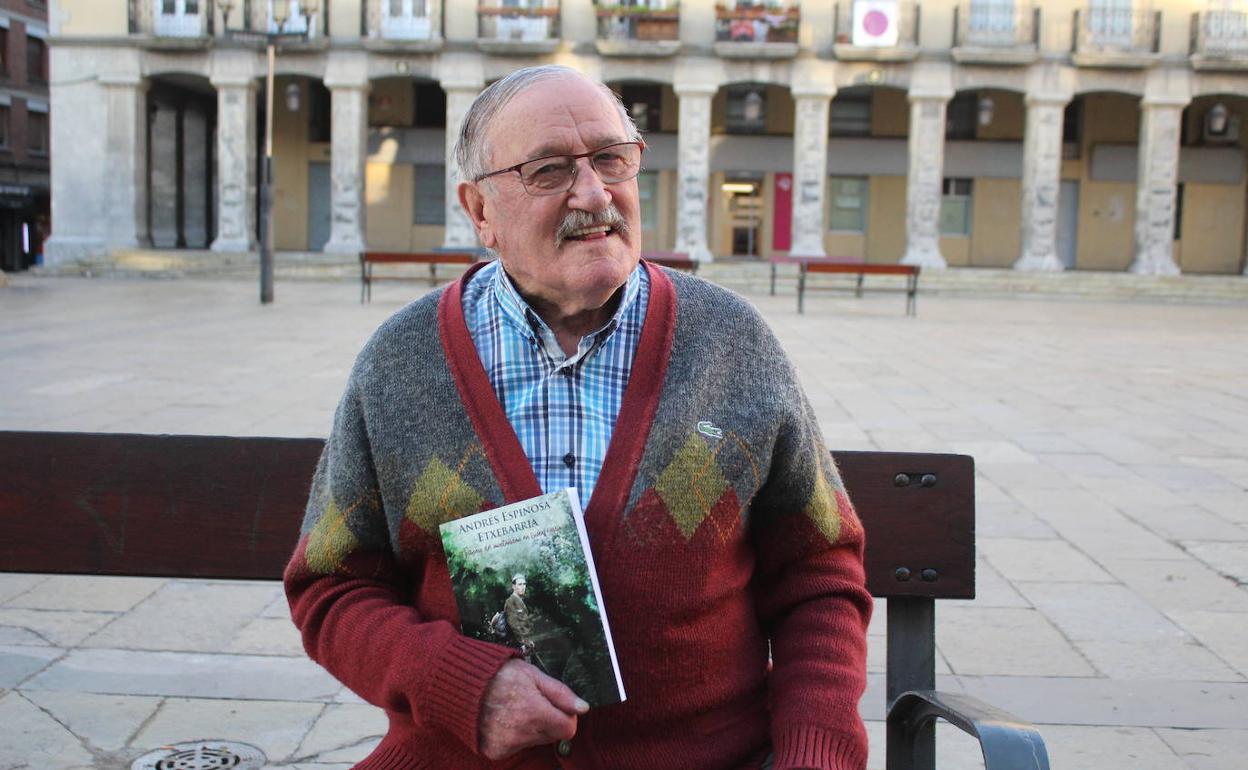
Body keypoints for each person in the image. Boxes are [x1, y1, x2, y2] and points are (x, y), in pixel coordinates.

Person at [284, 64, 872, 770]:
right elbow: (331, 586)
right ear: (480, 211)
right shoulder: (404, 363)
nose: (594, 195)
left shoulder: (730, 344)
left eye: (611, 159)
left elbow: (819, 576)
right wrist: (456, 684)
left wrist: (815, 753)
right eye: (548, 170)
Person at [503, 573, 535, 655]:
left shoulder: (520, 601)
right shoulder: (510, 601)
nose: (523, 587)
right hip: (517, 644)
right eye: (520, 584)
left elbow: (524, 622)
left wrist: (528, 640)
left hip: (525, 641)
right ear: (513, 586)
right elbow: (514, 624)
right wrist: (522, 642)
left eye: (524, 584)